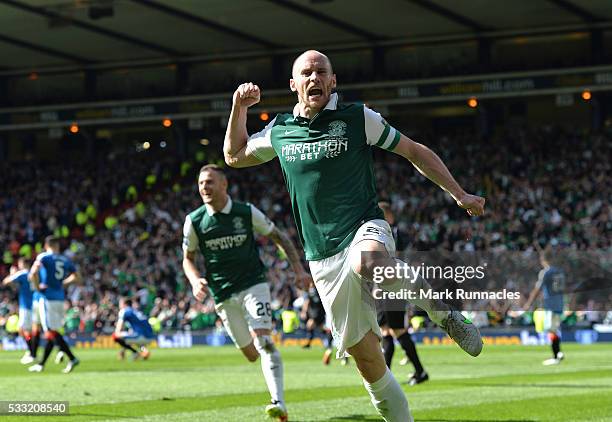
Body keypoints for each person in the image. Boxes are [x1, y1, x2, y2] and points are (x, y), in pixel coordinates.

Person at [224, 50, 485, 422]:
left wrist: (459, 193)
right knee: (368, 362)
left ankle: (443, 314)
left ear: (333, 82)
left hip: (365, 228)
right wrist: (239, 107)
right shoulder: (279, 130)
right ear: (294, 85)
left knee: (368, 262)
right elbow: (233, 156)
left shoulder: (358, 117)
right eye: (306, 73)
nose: (314, 78)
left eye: (321, 72)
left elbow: (412, 150)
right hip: (321, 258)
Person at [182, 164, 312, 422]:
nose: (204, 188)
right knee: (251, 354)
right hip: (222, 293)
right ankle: (268, 370)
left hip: (253, 284)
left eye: (209, 182)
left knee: (264, 341)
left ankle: (279, 403)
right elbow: (187, 258)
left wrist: (299, 269)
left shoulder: (246, 212)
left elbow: (280, 237)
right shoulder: (194, 221)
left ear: (224, 185)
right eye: (200, 183)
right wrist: (195, 280)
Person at [376, 200, 428, 386]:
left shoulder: (392, 233)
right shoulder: (391, 234)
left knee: (395, 330)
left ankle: (417, 372)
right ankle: (392, 375)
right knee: (387, 330)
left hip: (392, 285)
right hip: (385, 286)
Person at [27, 236, 81, 373]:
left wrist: (37, 287)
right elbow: (77, 278)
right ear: (58, 246)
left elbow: (32, 274)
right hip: (60, 299)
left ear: (46, 245)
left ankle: (71, 357)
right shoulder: (65, 259)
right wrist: (63, 283)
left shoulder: (43, 257)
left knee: (50, 332)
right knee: (53, 332)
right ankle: (41, 364)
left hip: (47, 298)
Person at [524, 244, 566, 365]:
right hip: (560, 303)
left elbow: (537, 289)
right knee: (553, 328)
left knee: (550, 329)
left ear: (544, 260)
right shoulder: (560, 272)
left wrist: (528, 303)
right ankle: (558, 353)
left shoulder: (545, 273)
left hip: (551, 305)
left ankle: (556, 355)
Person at [2, 258, 37, 364]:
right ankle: (31, 351)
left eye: (19, 264)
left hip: (26, 306)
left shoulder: (22, 273)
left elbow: (5, 282)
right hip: (33, 304)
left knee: (22, 329)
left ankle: (32, 353)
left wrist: (12, 273)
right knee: (28, 330)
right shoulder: (32, 273)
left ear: (23, 264)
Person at [301, 283, 326, 349]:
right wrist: (304, 311)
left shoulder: (315, 291)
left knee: (310, 326)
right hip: (315, 313)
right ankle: (328, 341)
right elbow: (307, 302)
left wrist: (304, 311)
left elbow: (307, 302)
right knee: (318, 328)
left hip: (318, 312)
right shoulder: (312, 291)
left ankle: (329, 341)